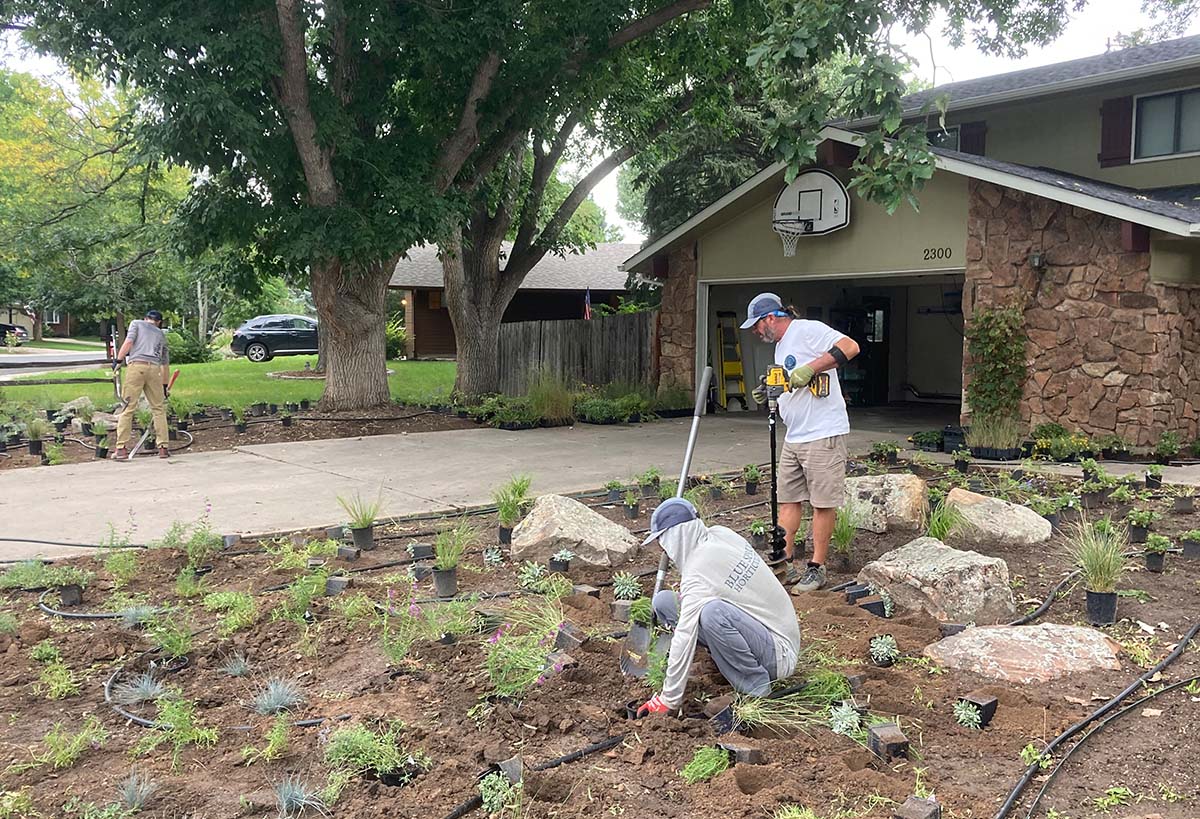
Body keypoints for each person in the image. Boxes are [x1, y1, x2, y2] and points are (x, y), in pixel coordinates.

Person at [635, 497, 802, 718]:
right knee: (665, 602)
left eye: (662, 541)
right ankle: (724, 664)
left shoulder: (697, 571)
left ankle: (755, 690)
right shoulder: (720, 534)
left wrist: (668, 700)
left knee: (713, 613)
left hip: (779, 653)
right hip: (762, 631)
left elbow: (684, 635)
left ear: (676, 537)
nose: (662, 549)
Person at [744, 292, 860, 593]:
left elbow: (850, 347)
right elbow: (792, 380)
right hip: (794, 434)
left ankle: (816, 567)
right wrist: (770, 389)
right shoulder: (781, 346)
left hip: (823, 432)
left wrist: (812, 368)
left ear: (771, 318)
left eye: (757, 325)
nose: (755, 331)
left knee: (822, 502)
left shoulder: (807, 330)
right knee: (788, 499)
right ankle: (785, 563)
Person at [113, 309, 171, 460]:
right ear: (159, 322)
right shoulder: (161, 335)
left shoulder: (136, 324)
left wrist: (118, 360)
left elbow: (129, 342)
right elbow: (165, 365)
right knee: (158, 409)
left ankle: (121, 449)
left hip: (137, 367)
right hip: (155, 370)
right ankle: (163, 448)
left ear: (146, 318)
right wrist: (164, 386)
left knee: (128, 407)